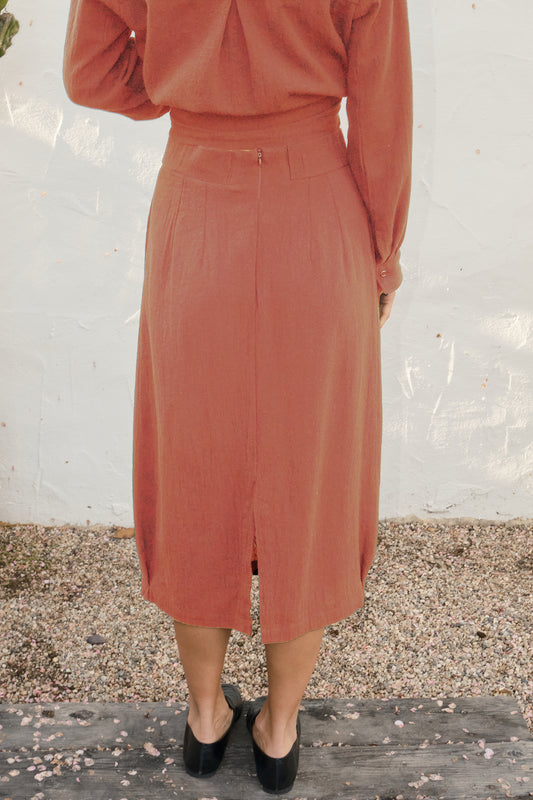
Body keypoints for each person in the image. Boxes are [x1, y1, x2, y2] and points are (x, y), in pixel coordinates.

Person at [63, 0, 412, 793]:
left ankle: (204, 720)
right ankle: (279, 732)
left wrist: (180, 80)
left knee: (196, 470)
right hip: (316, 215)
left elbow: (90, 72)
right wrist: (381, 258)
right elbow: (382, 114)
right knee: (311, 476)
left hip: (197, 208)